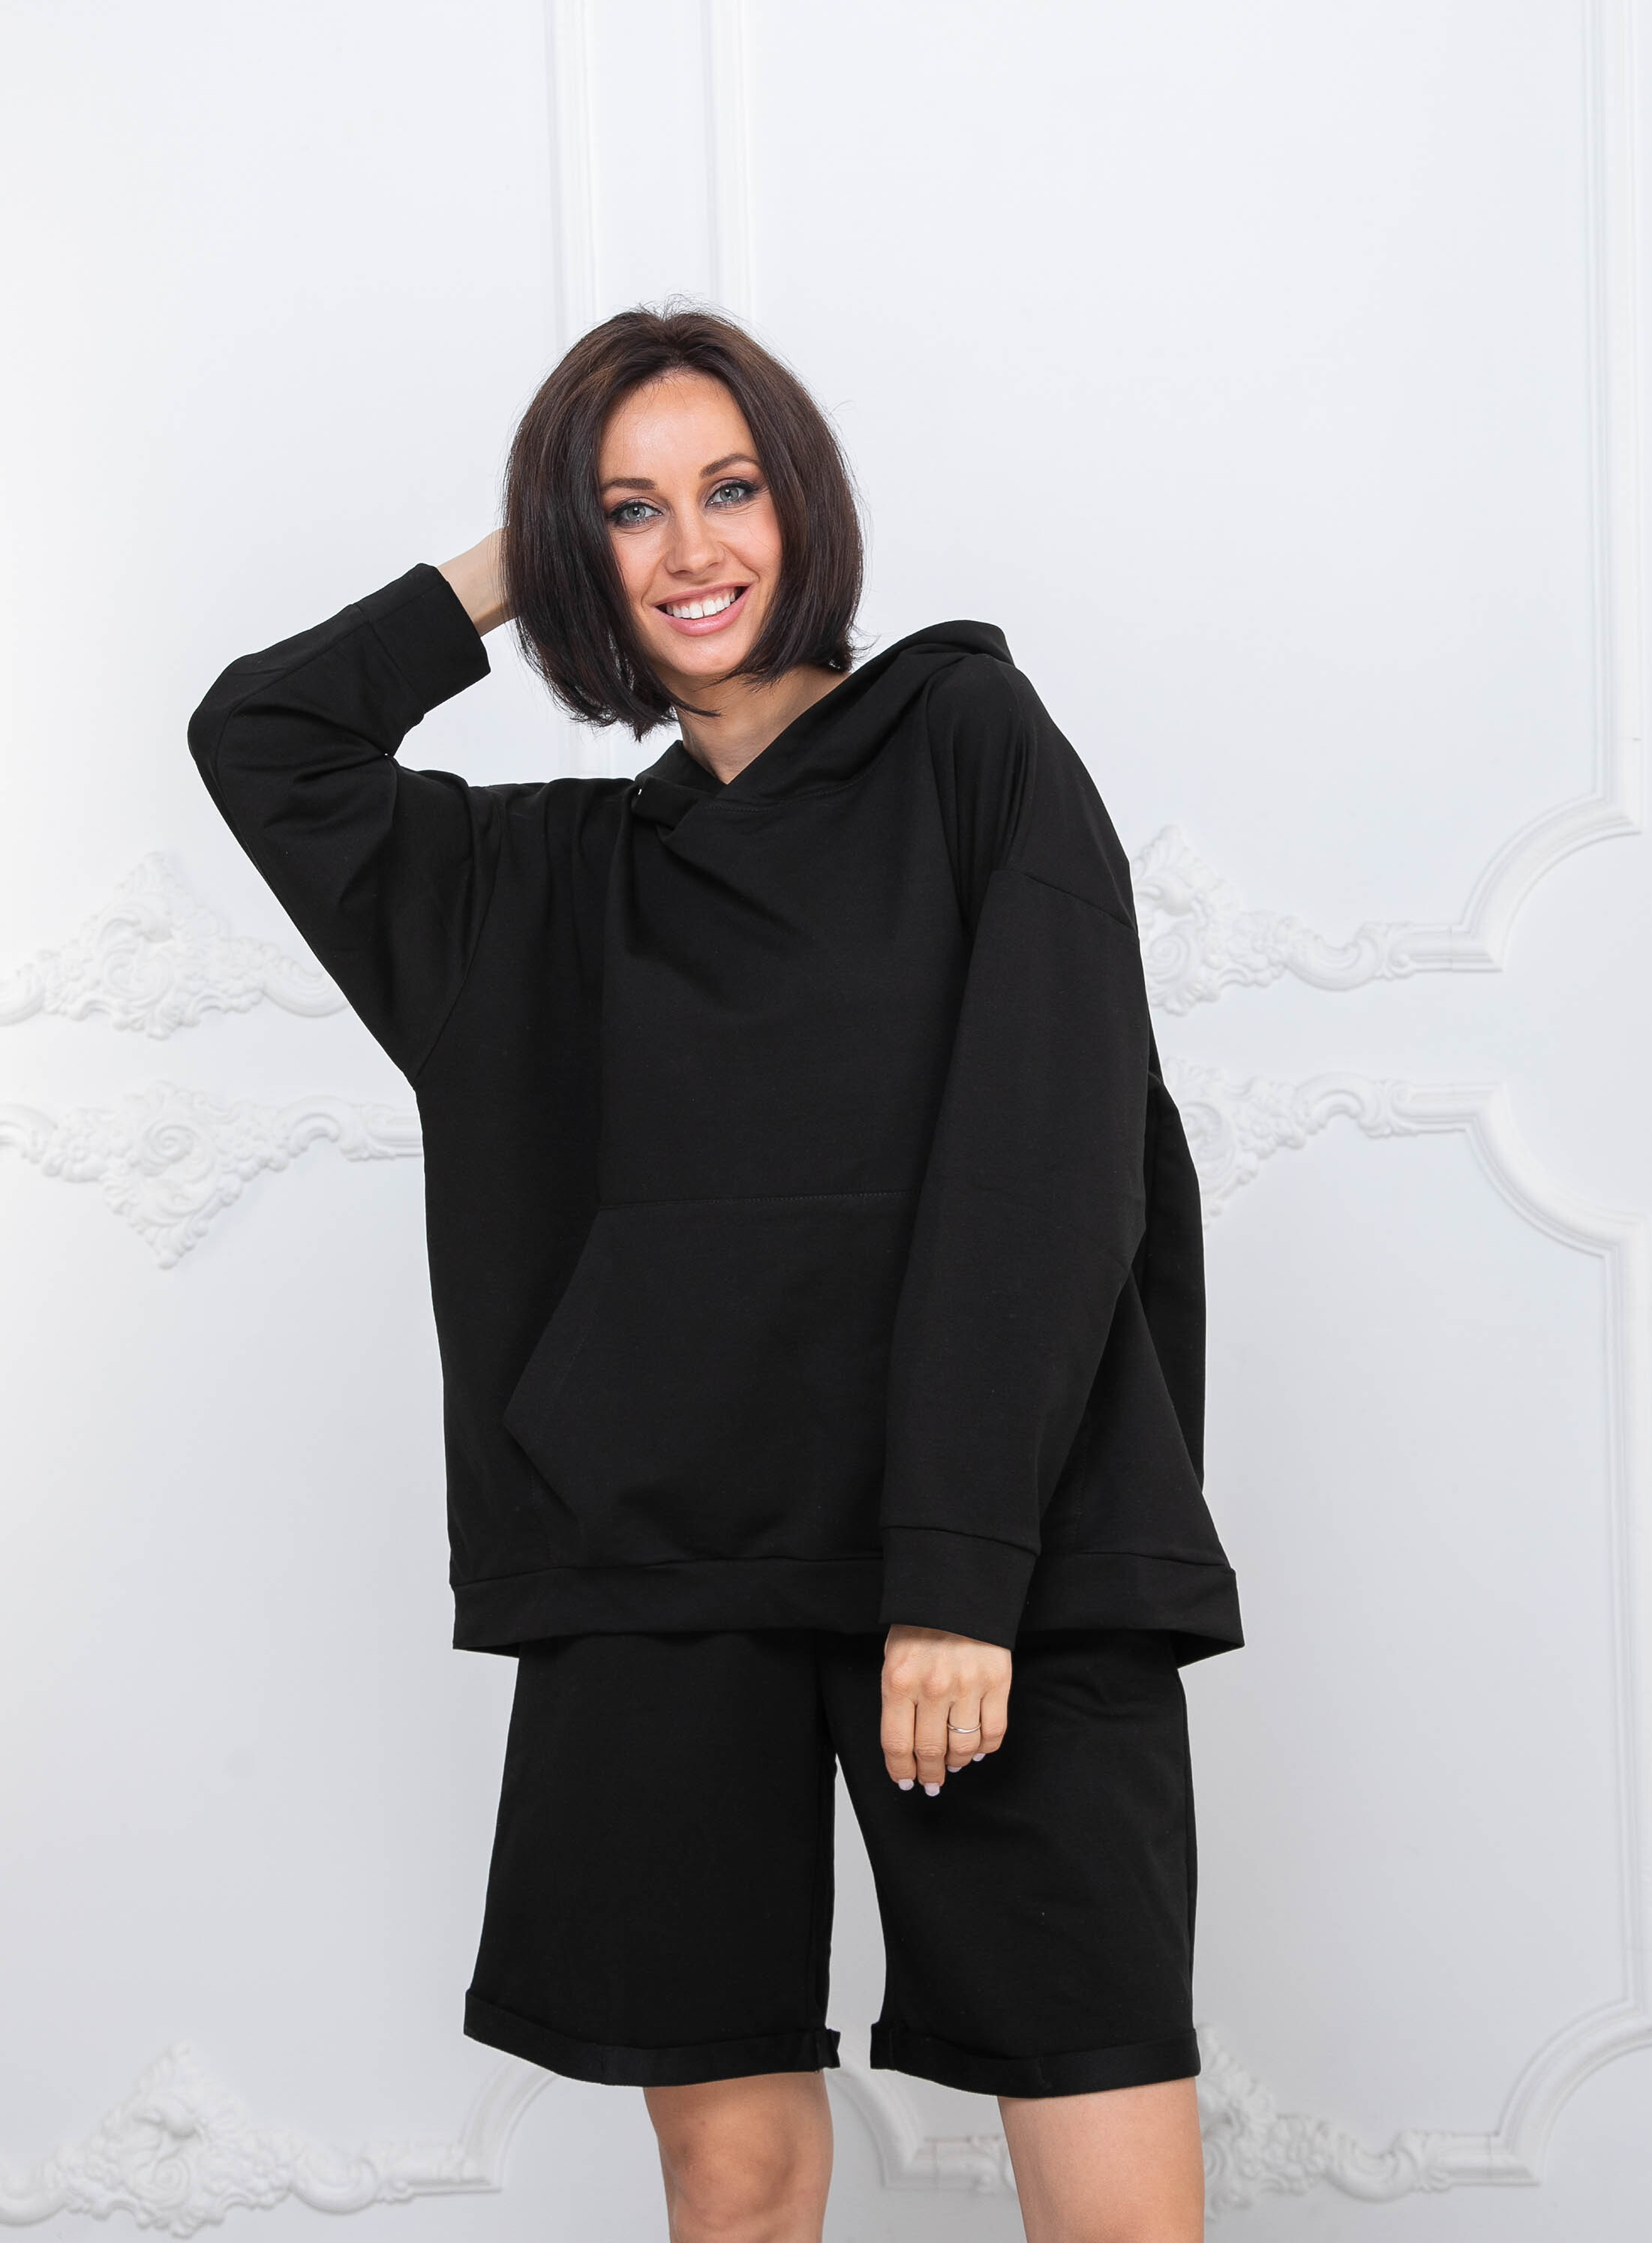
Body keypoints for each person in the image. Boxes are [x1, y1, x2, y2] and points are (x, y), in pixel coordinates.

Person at [188, 305, 1240, 2243]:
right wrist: (515, 556)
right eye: (628, 511)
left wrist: (957, 1574)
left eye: (731, 489)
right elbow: (263, 739)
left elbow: (1055, 1161)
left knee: (1107, 2173)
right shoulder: (545, 889)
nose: (690, 549)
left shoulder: (972, 749)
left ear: (803, 505)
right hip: (664, 1572)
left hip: (998, 1564)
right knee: (731, 2181)